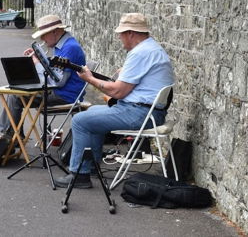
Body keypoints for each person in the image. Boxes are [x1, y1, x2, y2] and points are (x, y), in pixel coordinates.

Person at [54, 13, 175, 189]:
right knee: (92, 113)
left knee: (80, 120)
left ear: (131, 33)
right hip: (149, 111)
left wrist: (90, 79)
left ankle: (79, 175)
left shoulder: (140, 53)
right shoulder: (152, 49)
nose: (119, 38)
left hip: (140, 114)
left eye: (121, 34)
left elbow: (118, 92)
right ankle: (91, 166)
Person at [0, 14, 86, 140]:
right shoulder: (64, 45)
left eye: (44, 34)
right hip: (62, 92)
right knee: (17, 94)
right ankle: (12, 136)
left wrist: (37, 63)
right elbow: (54, 71)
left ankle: (10, 138)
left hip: (65, 95)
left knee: (16, 97)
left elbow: (57, 82)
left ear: (54, 32)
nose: (42, 39)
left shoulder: (70, 48)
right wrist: (37, 59)